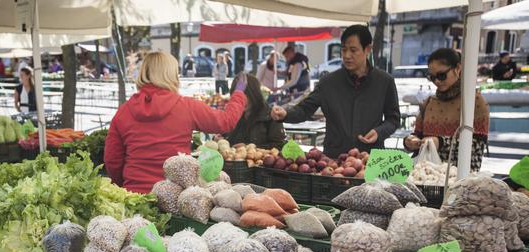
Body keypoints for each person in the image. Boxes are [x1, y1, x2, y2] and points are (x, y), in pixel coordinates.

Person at [104, 51, 248, 193]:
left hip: (135, 196)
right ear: (171, 75)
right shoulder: (186, 106)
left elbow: (112, 160)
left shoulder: (124, 111)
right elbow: (226, 121)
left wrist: (123, 185)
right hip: (174, 197)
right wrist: (239, 93)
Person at [271, 25, 400, 157]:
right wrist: (286, 114)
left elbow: (393, 119)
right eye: (343, 50)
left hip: (371, 159)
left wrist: (379, 132)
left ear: (367, 49)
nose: (347, 55)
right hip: (334, 160)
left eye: (353, 50)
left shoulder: (384, 81)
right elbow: (305, 109)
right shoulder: (328, 82)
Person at [404, 48, 489, 172]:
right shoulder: (428, 103)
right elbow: (418, 135)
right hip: (425, 177)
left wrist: (441, 142)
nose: (437, 81)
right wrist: (410, 141)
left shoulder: (474, 102)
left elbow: (476, 147)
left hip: (460, 179)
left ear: (457, 69)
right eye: (432, 77)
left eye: (442, 75)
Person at [224, 74, 286, 149]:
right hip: (233, 160)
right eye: (237, 97)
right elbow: (227, 138)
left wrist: (251, 148)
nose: (242, 101)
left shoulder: (271, 115)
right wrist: (220, 139)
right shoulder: (232, 114)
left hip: (261, 160)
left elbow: (279, 146)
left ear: (254, 95)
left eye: (245, 96)